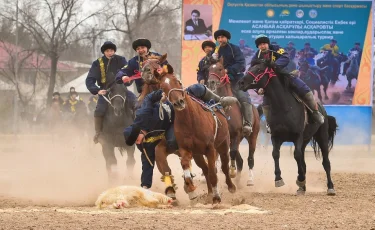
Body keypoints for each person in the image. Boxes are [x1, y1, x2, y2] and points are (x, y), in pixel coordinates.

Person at [124, 84, 238, 189]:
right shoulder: (143, 145)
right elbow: (147, 163)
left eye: (136, 140)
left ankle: (220, 101)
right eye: (135, 143)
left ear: (138, 132)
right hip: (171, 127)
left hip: (173, 111)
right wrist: (145, 185)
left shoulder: (142, 113)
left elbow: (149, 98)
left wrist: (161, 93)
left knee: (196, 88)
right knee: (173, 143)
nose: (137, 143)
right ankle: (177, 181)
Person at [251, 34, 324, 133]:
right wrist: (257, 88)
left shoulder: (276, 49)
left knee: (304, 89)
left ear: (268, 43)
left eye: (264, 44)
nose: (262, 46)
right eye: (260, 45)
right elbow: (252, 72)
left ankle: (315, 113)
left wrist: (274, 65)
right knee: (265, 103)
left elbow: (285, 57)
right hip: (267, 82)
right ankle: (269, 123)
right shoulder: (257, 56)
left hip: (282, 76)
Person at [86, 41, 137, 144]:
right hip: (106, 91)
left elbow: (129, 74)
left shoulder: (121, 60)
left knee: (136, 103)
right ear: (104, 52)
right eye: (107, 51)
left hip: (122, 89)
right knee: (99, 109)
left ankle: (138, 131)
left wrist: (128, 79)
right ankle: (98, 133)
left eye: (112, 50)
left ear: (114, 51)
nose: (110, 53)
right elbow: (89, 80)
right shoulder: (97, 63)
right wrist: (97, 90)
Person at [211, 29, 253, 135]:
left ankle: (248, 124)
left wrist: (228, 71)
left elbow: (241, 63)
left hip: (235, 79)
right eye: (218, 38)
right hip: (219, 82)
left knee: (243, 97)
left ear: (227, 38)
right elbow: (211, 67)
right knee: (208, 99)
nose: (220, 39)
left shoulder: (234, 49)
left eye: (222, 37)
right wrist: (211, 59)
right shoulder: (215, 51)